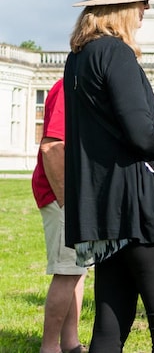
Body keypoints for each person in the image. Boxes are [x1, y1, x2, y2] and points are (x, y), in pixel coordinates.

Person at [63, 0, 154, 352]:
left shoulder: (78, 58)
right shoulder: (116, 54)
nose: (146, 10)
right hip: (139, 208)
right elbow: (141, 135)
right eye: (141, 2)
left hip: (102, 209)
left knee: (109, 325)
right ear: (123, 6)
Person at [31, 78, 88, 353]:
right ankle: (49, 346)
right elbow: (51, 147)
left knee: (78, 269)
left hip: (77, 196)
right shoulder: (70, 84)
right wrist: (67, 201)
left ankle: (70, 343)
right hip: (60, 193)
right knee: (67, 271)